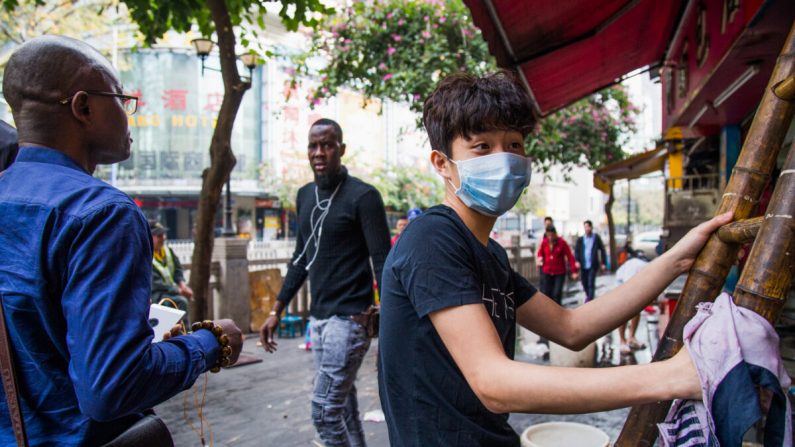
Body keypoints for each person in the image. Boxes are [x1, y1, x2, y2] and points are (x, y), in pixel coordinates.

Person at [377, 71, 733, 446]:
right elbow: (494, 382)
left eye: (513, 144)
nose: (504, 160)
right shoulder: (432, 238)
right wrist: (670, 377)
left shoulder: (489, 254)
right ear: (442, 163)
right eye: (482, 146)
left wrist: (677, 259)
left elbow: (572, 327)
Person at [0, 36, 243, 445]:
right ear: (84, 107)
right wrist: (211, 342)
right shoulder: (101, 213)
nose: (129, 114)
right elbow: (110, 388)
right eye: (121, 99)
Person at [259, 118, 391, 446]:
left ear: (341, 150)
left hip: (349, 320)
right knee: (343, 406)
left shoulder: (364, 196)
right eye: (313, 146)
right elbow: (301, 258)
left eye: (327, 145)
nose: (319, 152)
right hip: (317, 321)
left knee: (323, 411)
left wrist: (389, 316)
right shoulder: (304, 196)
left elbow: (383, 262)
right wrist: (276, 309)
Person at [149, 220, 193, 325]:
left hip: (170, 291)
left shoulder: (168, 251)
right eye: (159, 236)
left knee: (180, 301)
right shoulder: (146, 255)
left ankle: (184, 331)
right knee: (180, 302)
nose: (163, 238)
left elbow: (177, 269)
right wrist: (178, 290)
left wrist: (182, 284)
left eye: (163, 235)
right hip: (156, 293)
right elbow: (155, 283)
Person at [616, 250, 650, 354]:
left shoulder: (648, 268)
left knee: (637, 309)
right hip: (622, 283)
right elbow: (628, 284)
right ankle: (622, 341)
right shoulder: (635, 266)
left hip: (634, 284)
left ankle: (631, 338)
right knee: (623, 312)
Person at [536, 224, 578, 306]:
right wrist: (540, 259)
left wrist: (574, 271)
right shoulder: (544, 242)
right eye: (548, 235)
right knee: (546, 293)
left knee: (556, 294)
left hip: (559, 272)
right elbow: (540, 253)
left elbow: (570, 257)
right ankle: (548, 313)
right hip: (547, 271)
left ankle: (557, 313)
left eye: (552, 235)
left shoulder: (562, 242)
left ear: (555, 234)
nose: (550, 237)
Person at [574, 220, 607, 303]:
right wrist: (577, 261)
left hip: (593, 264)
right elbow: (576, 251)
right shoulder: (580, 239)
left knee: (590, 283)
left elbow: (602, 250)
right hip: (583, 265)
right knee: (584, 282)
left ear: (591, 227)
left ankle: (590, 300)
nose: (587, 229)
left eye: (588, 227)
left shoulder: (596, 238)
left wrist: (603, 263)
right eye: (585, 227)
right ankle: (589, 296)